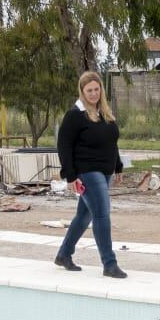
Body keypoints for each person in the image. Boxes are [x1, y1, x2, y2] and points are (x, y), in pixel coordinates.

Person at [54, 71, 127, 279]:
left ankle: (63, 254)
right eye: (89, 90)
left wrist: (118, 165)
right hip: (86, 172)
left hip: (105, 171)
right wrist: (70, 176)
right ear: (82, 92)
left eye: (97, 89)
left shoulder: (104, 112)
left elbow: (111, 142)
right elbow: (64, 146)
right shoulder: (75, 115)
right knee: (102, 214)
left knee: (84, 215)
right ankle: (109, 264)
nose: (94, 93)